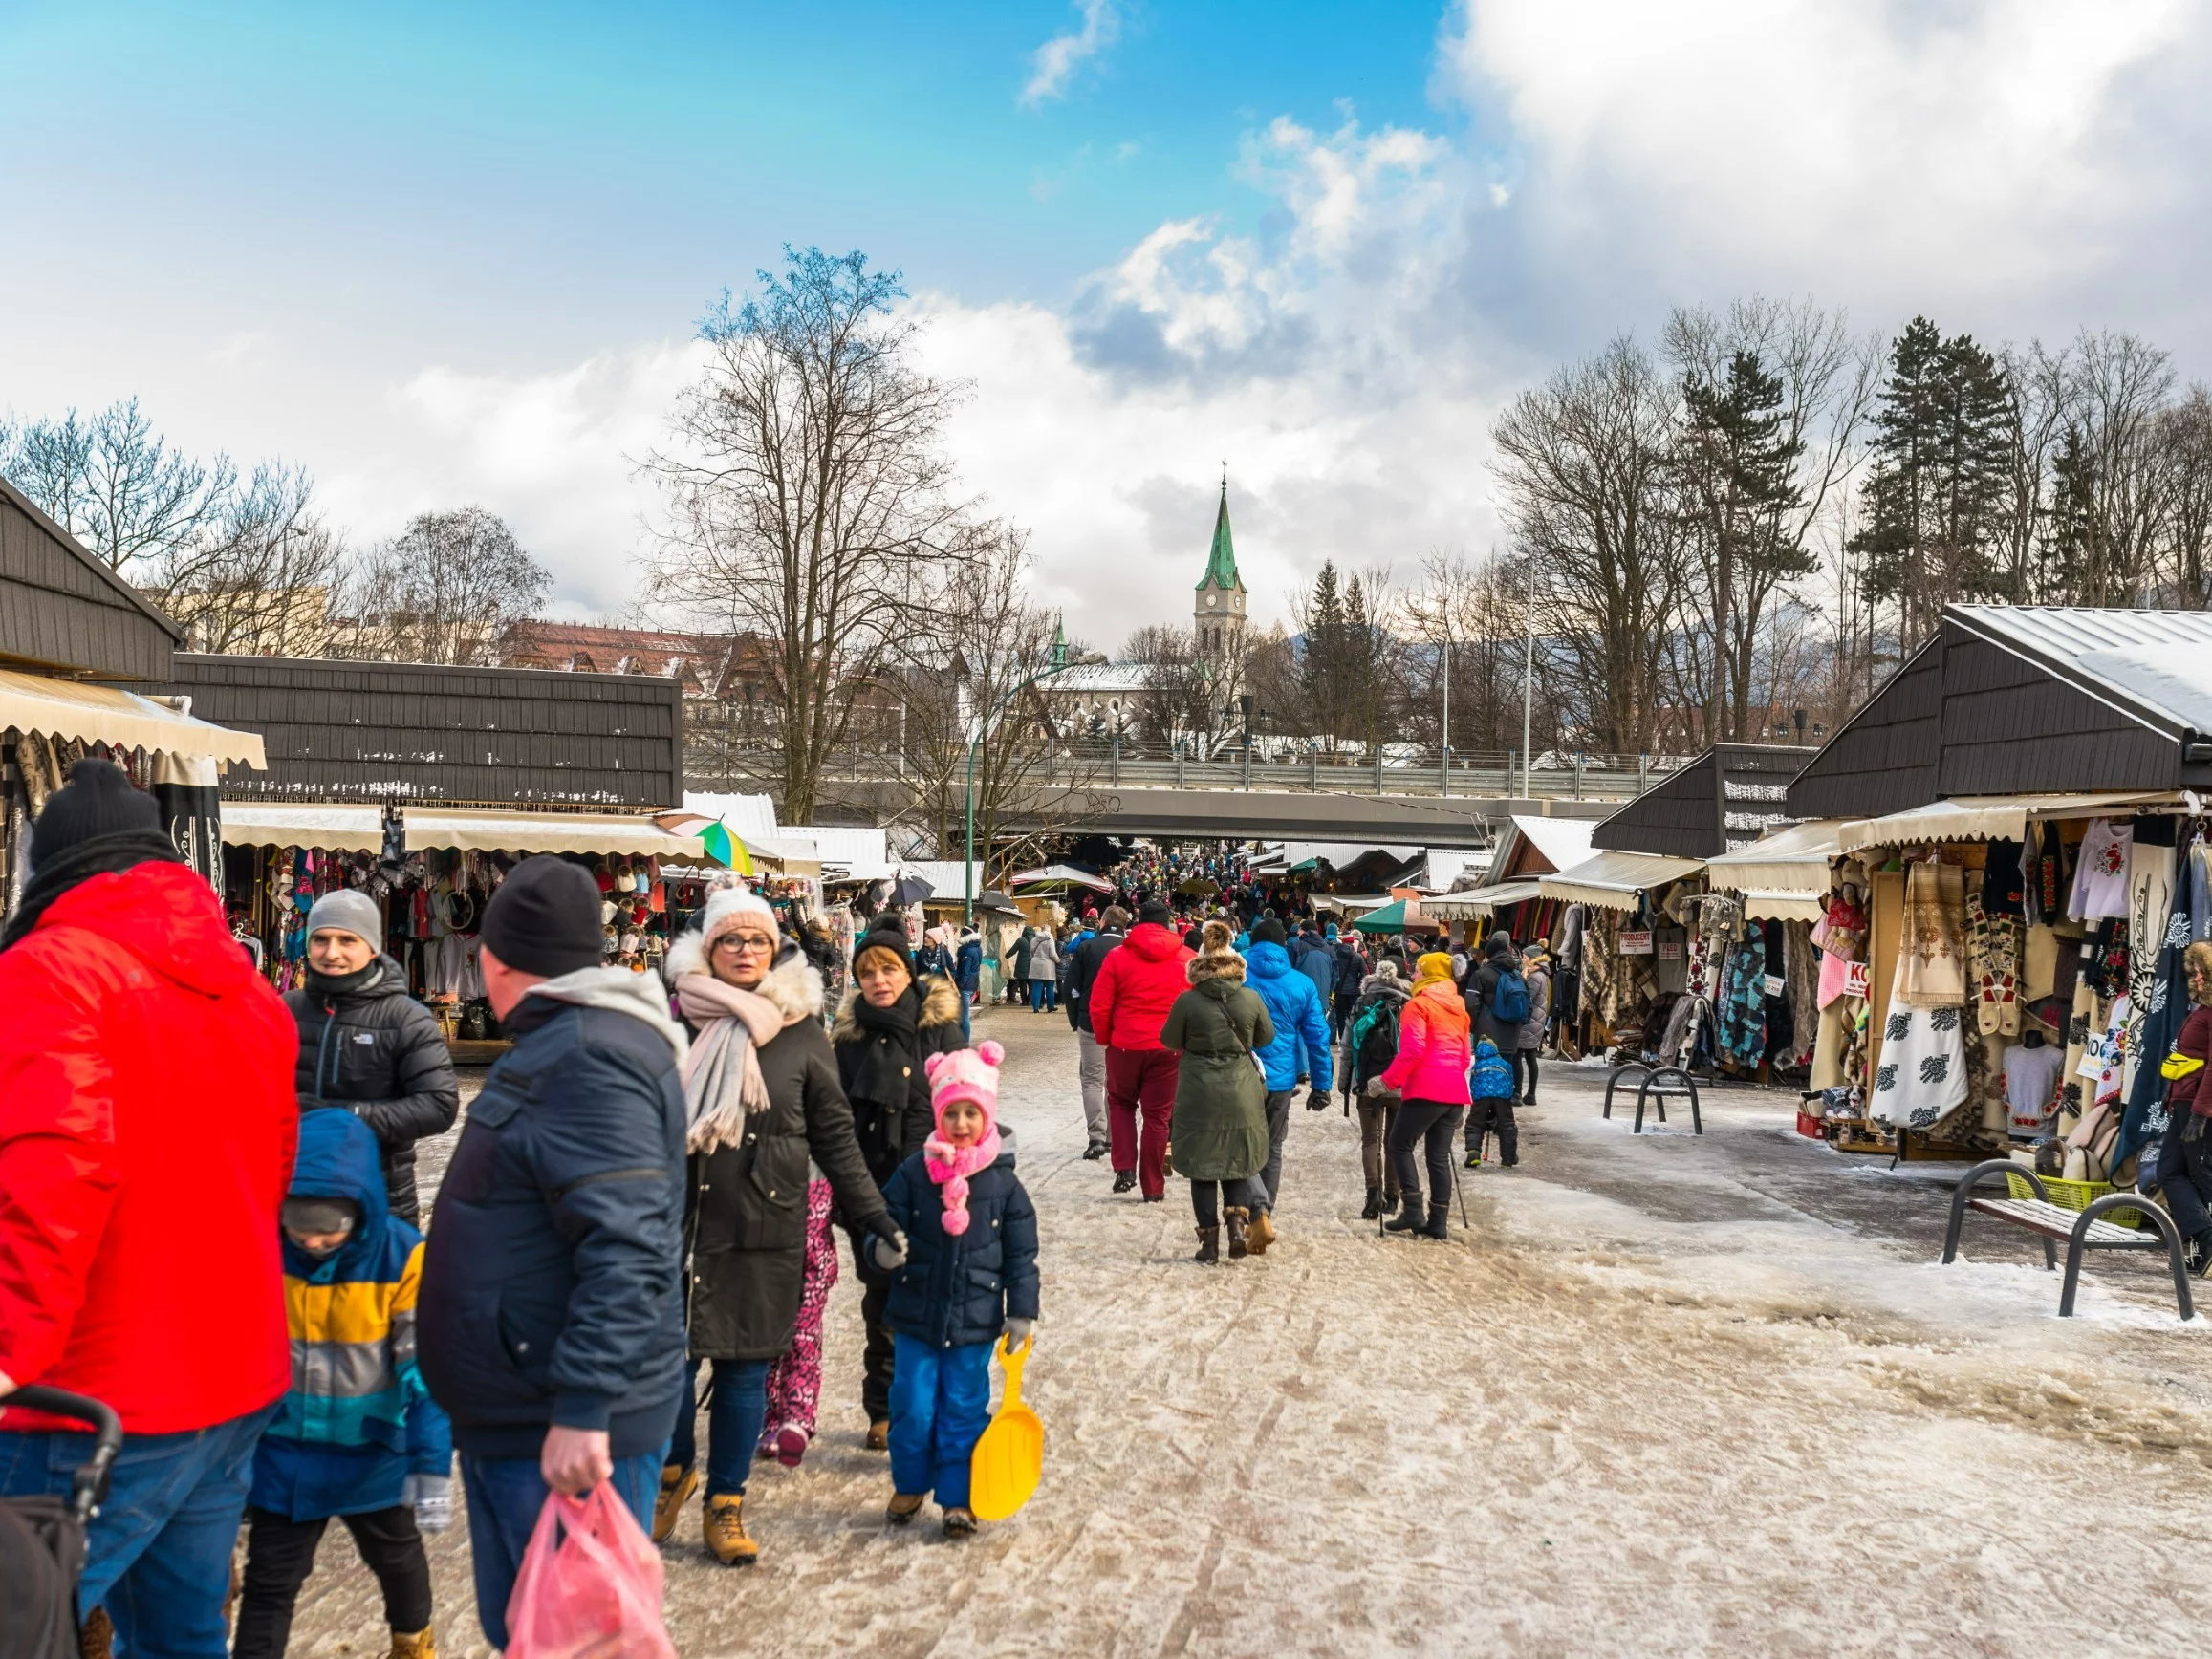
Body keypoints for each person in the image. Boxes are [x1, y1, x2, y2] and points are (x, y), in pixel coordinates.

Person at [0, 759, 298, 1654]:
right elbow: (272, 1170)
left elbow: (52, 1175)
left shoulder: (47, 971)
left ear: (46, 868)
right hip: (231, 1374)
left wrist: (7, 1350)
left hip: (89, 1393)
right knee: (179, 1639)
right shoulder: (252, 995)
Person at [417, 855, 689, 1651]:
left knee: (568, 1640)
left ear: (496, 962)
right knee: (537, 1634)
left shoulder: (586, 1057)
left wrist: (582, 1406)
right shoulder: (574, 1044)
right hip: (530, 1401)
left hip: (557, 1420)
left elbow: (631, 1247)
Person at [657, 888, 899, 1566]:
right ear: (706, 949)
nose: (743, 952)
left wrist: (873, 1216)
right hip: (676, 1222)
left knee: (741, 1371)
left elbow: (835, 1137)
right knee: (666, 1367)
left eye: (755, 941)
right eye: (729, 941)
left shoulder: (800, 1035)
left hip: (763, 1225)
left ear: (774, 950)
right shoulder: (672, 1024)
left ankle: (726, 1503)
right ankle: (675, 1472)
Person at [234, 1109, 449, 1659]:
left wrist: (429, 1462)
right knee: (270, 1582)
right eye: (298, 1226)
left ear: (361, 1210)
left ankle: (412, 1639)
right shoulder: (263, 1249)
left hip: (371, 1451)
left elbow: (424, 1370)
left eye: (328, 1228)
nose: (312, 1243)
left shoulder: (402, 1257)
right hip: (286, 1456)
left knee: (396, 1559)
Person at [863, 1041, 1037, 1537]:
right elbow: (884, 1220)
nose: (961, 1124)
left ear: (987, 1116)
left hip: (976, 1320)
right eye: (952, 1113)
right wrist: (883, 1247)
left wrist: (1020, 1312)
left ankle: (958, 1499)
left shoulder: (1003, 1185)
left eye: (971, 1113)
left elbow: (1021, 1256)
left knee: (962, 1409)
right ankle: (911, 1482)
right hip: (917, 1316)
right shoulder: (914, 1173)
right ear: (939, 1114)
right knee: (912, 1407)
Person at [831, 913, 965, 1452]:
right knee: (881, 1305)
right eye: (868, 973)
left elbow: (965, 1106)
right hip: (871, 1189)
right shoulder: (848, 1037)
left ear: (908, 972)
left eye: (888, 969)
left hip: (933, 1188)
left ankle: (927, 1406)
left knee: (931, 1302)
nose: (879, 981)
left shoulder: (937, 1029)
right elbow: (834, 1116)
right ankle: (883, 1409)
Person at [284, 889, 460, 1226]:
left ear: (372, 947)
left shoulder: (405, 1018)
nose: (331, 952)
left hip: (380, 1198)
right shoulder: (285, 1010)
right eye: (320, 939)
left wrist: (348, 1116)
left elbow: (439, 1105)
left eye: (347, 940)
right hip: (295, 1199)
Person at [1162, 923, 1276, 1263]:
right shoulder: (1250, 998)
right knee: (1237, 1163)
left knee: (1202, 1167)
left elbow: (1169, 1040)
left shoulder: (1188, 1001)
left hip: (1199, 1090)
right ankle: (1237, 1229)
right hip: (1241, 1089)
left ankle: (1208, 1244)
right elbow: (1266, 1038)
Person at [1088, 899, 1197, 1201]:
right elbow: (1196, 1008)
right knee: (1158, 1117)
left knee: (1121, 1104)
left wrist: (1106, 1038)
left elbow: (1099, 1004)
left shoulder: (1117, 957)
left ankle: (1124, 1166)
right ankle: (1153, 1186)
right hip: (1169, 1048)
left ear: (1136, 923)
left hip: (1125, 1044)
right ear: (1168, 924)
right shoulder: (1187, 958)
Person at [1240, 919, 1332, 1250]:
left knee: (1241, 1145)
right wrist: (1322, 1084)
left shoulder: (1240, 977)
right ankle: (1265, 1212)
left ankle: (1253, 1209)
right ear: (1284, 946)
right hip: (1280, 1080)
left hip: (1242, 1075)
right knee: (1273, 1146)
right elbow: (1318, 1038)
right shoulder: (1301, 984)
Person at [1377, 953, 1473, 1240]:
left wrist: (1387, 1081)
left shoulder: (1417, 1006)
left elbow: (1413, 1050)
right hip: (1454, 1091)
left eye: (1418, 971)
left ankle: (1413, 1210)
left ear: (1428, 974)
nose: (1413, 975)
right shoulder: (1460, 1008)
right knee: (1438, 1156)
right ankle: (1438, 1221)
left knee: (1398, 1145)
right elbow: (1466, 1056)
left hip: (1426, 1088)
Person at [2154, 942, 2212, 1274]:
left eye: (2201, 972)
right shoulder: (2200, 1011)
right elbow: (2189, 1062)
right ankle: (2206, 1238)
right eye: (2194, 972)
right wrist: (2171, 1096)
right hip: (2185, 1102)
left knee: (2202, 1175)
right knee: (2171, 1171)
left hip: (2199, 1107)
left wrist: (2200, 1114)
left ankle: (2206, 1242)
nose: (2197, 978)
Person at [1345, 959, 1410, 1218]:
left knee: (1370, 1141)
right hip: (1399, 1083)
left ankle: (1373, 1192)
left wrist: (1344, 1083)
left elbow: (1349, 1047)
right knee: (1394, 1141)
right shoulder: (1408, 1005)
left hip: (1366, 1082)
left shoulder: (1362, 1003)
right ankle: (1392, 1196)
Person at [1065, 906, 1129, 1160]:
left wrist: (1075, 1019)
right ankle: (1113, 1135)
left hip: (1091, 1021)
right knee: (1114, 1081)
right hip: (1123, 1024)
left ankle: (1096, 1136)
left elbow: (1071, 988)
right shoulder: (1130, 949)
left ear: (1102, 922)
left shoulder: (1087, 948)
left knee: (1092, 1079)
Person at [1464, 929, 1528, 1056]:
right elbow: (1528, 1005)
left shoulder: (1480, 974)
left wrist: (1472, 1027)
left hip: (1486, 1036)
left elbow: (1471, 1004)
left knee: (1486, 1072)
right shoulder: (1518, 976)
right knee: (1507, 1071)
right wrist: (1519, 1024)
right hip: (1511, 1036)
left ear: (1488, 954)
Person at [1464, 1035, 1519, 1170]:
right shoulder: (1505, 1064)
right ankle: (1508, 1158)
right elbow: (1512, 1082)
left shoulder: (1477, 1066)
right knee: (1506, 1125)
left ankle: (1473, 1151)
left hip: (1481, 1097)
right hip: (1502, 1097)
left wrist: (1476, 1099)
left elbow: (1473, 1084)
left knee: (1475, 1123)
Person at [1516, 941, 1551, 1106]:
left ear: (1532, 958)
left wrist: (1521, 981)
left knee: (1519, 1056)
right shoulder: (1539, 973)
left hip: (1529, 1021)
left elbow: (1526, 997)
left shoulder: (1534, 976)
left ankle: (1519, 1092)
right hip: (1535, 1021)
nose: (1522, 959)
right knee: (1530, 1056)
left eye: (1524, 956)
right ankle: (1530, 1094)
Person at [1330, 930, 1366, 1039]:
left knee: (1341, 1016)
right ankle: (1352, 1038)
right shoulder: (1358, 956)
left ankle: (1342, 1038)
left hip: (1339, 990)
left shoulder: (1335, 954)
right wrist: (1358, 983)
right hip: (1353, 991)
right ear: (1351, 942)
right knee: (1354, 1015)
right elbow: (1364, 973)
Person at [1026, 923, 1061, 1013]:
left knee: (1037, 987)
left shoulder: (1034, 939)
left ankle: (1036, 1008)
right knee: (1049, 987)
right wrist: (1058, 961)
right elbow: (1052, 954)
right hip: (1048, 966)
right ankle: (1050, 1007)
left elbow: (1031, 952)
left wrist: (1036, 958)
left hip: (1036, 965)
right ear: (1048, 930)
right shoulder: (1050, 939)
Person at [954, 927, 983, 1038]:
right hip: (972, 984)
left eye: (961, 935)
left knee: (964, 1017)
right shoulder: (977, 948)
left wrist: (959, 985)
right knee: (963, 1015)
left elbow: (965, 971)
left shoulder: (968, 950)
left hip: (965, 986)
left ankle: (965, 1042)